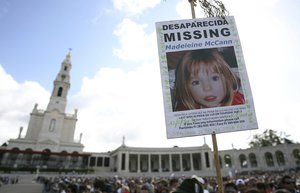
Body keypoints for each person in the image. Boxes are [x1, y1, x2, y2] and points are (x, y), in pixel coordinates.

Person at [174, 48, 244, 111]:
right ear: (186, 88)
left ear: (228, 79)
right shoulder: (183, 112)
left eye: (215, 78)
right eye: (196, 82)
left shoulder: (241, 103)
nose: (207, 88)